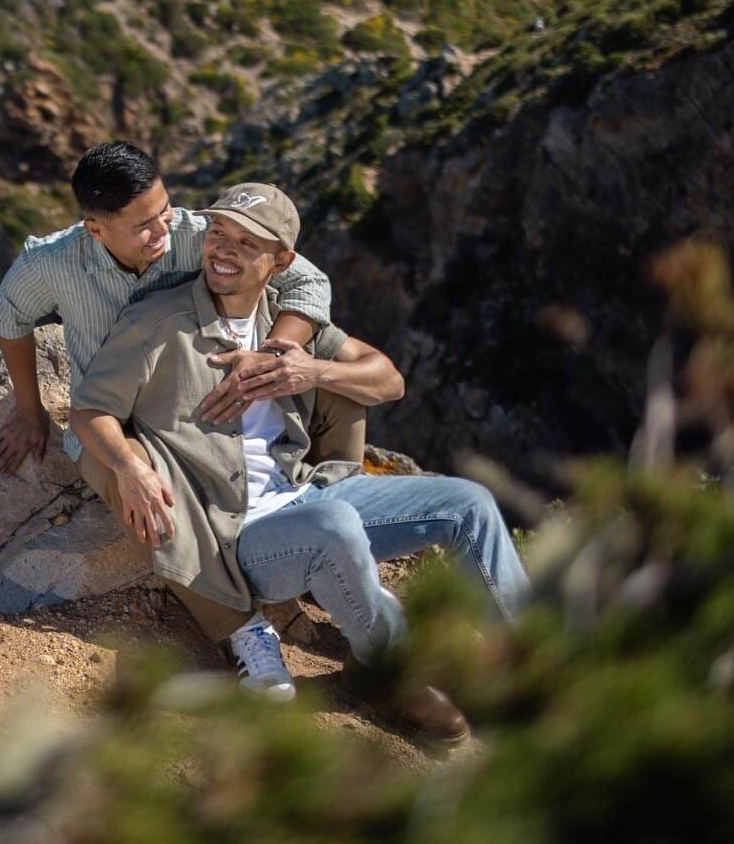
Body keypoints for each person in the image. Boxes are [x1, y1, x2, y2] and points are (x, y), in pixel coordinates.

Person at [69, 182, 530, 741]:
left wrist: (311, 372)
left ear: (281, 260)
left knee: (470, 503)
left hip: (312, 491)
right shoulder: (156, 323)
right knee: (332, 529)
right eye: (218, 234)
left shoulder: (288, 325)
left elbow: (389, 379)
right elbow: (91, 409)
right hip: (240, 532)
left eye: (246, 242)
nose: (223, 250)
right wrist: (128, 465)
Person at [0, 141, 357, 698]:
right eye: (143, 227)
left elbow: (310, 282)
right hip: (120, 417)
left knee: (339, 380)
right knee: (138, 486)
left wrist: (273, 353)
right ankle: (242, 631)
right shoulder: (51, 263)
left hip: (209, 399)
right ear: (95, 229)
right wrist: (28, 410)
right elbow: (8, 315)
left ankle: (343, 543)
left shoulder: (200, 234)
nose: (163, 232)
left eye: (164, 212)